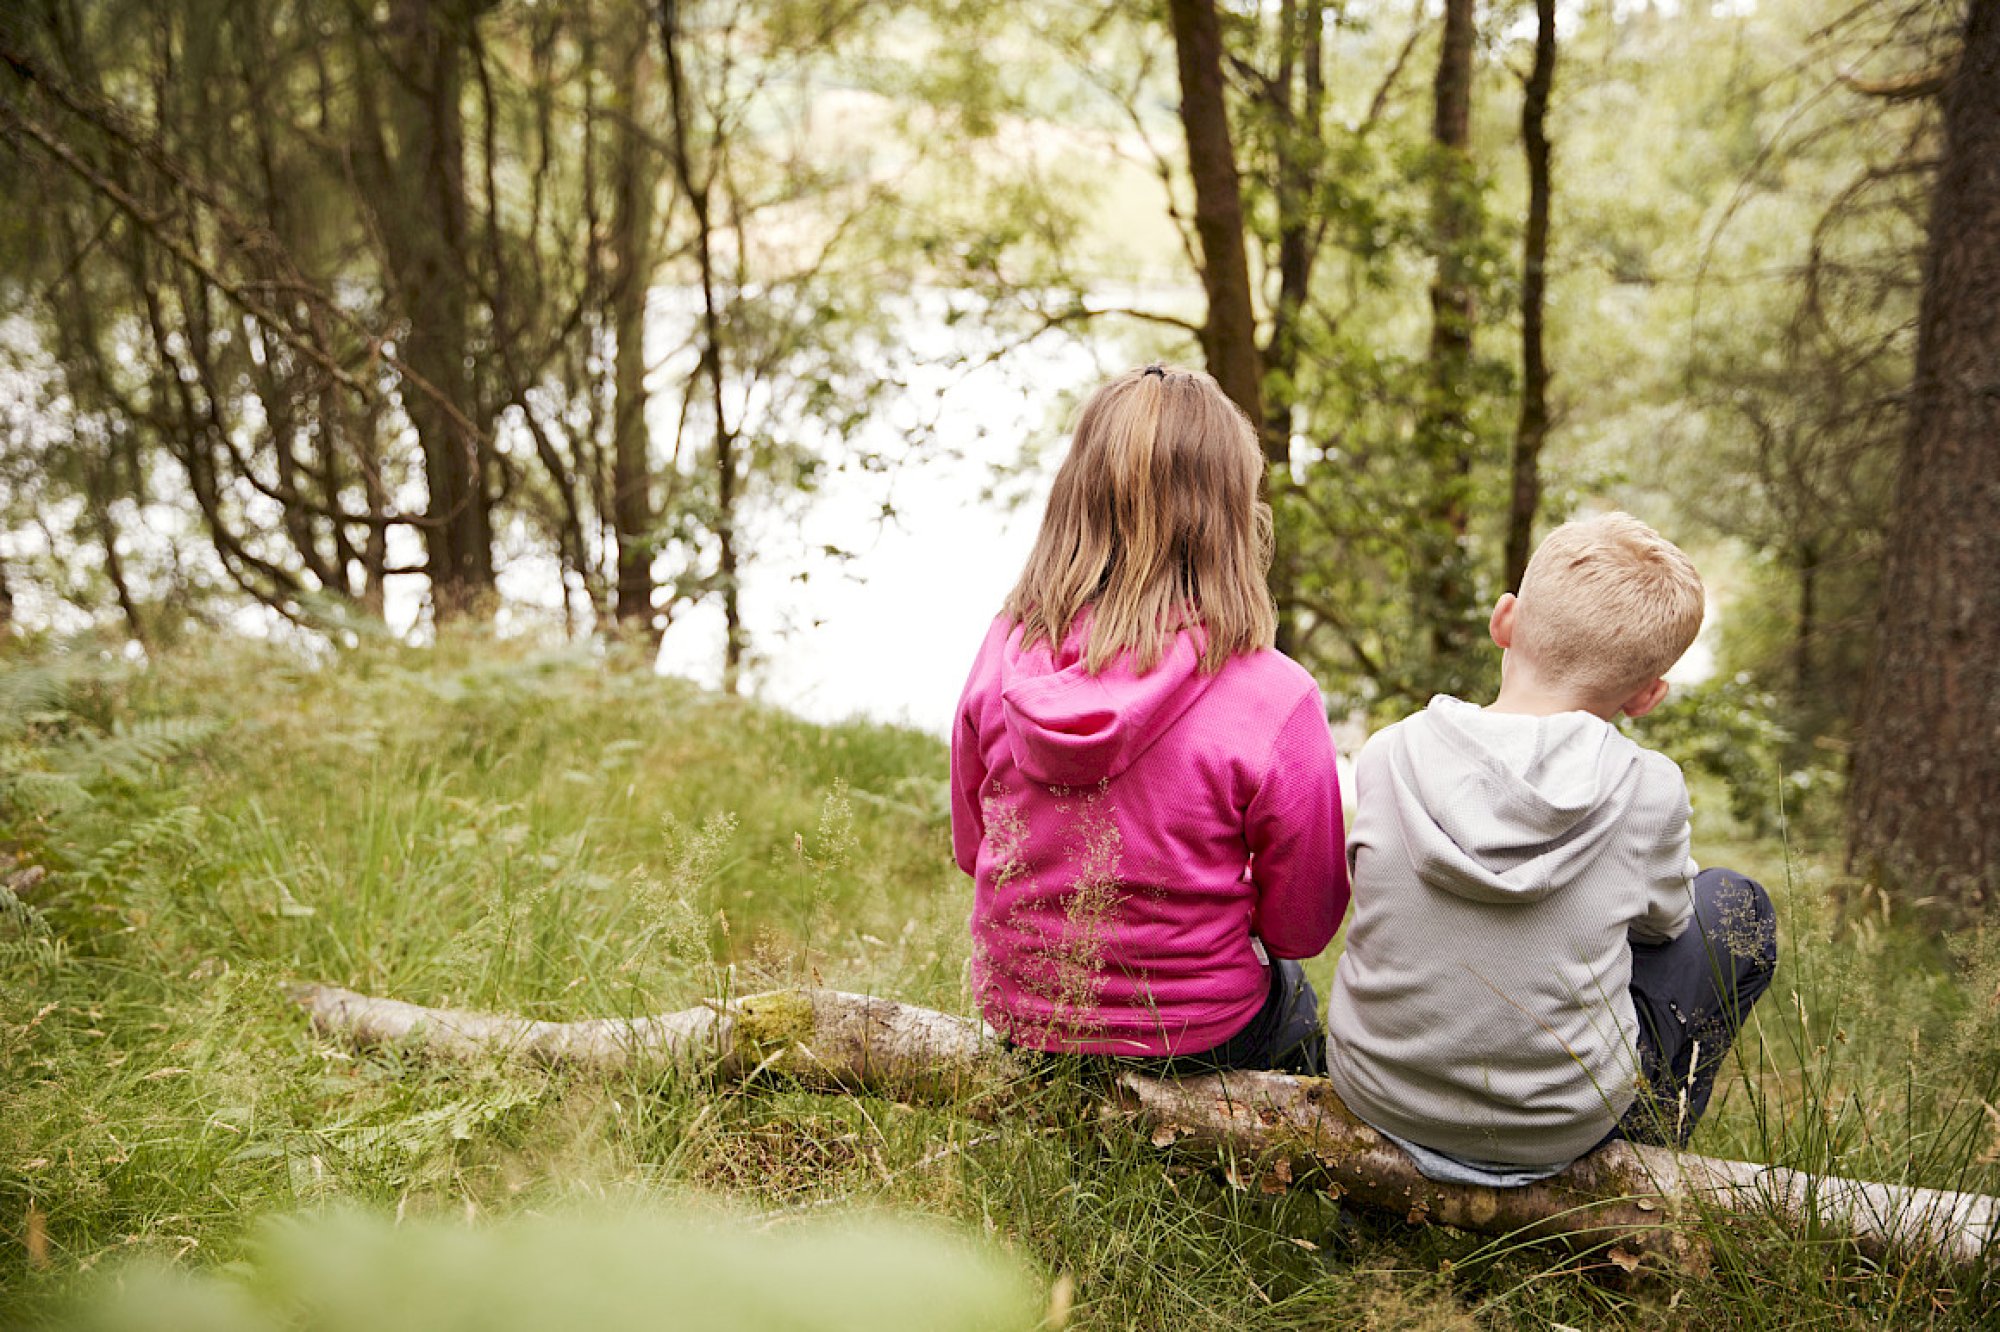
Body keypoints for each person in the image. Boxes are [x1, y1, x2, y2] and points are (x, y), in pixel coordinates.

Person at [1326, 512, 1778, 1184]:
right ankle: (1651, 1140)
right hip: (1558, 1128)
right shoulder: (1648, 787)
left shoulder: (1389, 752)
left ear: (1504, 620)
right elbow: (1667, 925)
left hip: (1377, 1093)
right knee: (1738, 903)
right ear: (1647, 696)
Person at [949, 364, 1349, 1074]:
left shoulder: (1006, 649)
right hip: (1202, 1036)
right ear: (1231, 516)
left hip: (1025, 1015)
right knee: (1296, 1001)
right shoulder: (1277, 694)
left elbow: (971, 846)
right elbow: (1302, 926)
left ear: (1073, 500)